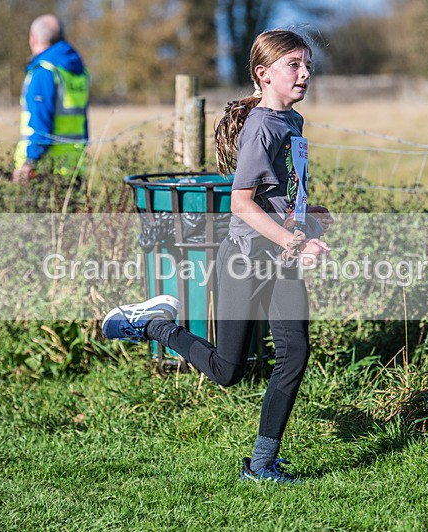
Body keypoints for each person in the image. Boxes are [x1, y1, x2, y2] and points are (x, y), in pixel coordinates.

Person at [102, 30, 334, 484]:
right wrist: (297, 243)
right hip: (246, 259)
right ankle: (153, 325)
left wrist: (304, 215)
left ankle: (262, 465)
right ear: (263, 74)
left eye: (307, 64)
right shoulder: (262, 127)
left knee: (296, 352)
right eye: (293, 65)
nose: (305, 73)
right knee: (227, 371)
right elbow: (241, 203)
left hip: (279, 257)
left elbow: (275, 193)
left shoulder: (293, 122)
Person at [13, 14, 89, 184]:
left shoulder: (44, 72)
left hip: (44, 170)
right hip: (73, 166)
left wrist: (29, 162)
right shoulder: (78, 72)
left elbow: (41, 125)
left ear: (33, 39)